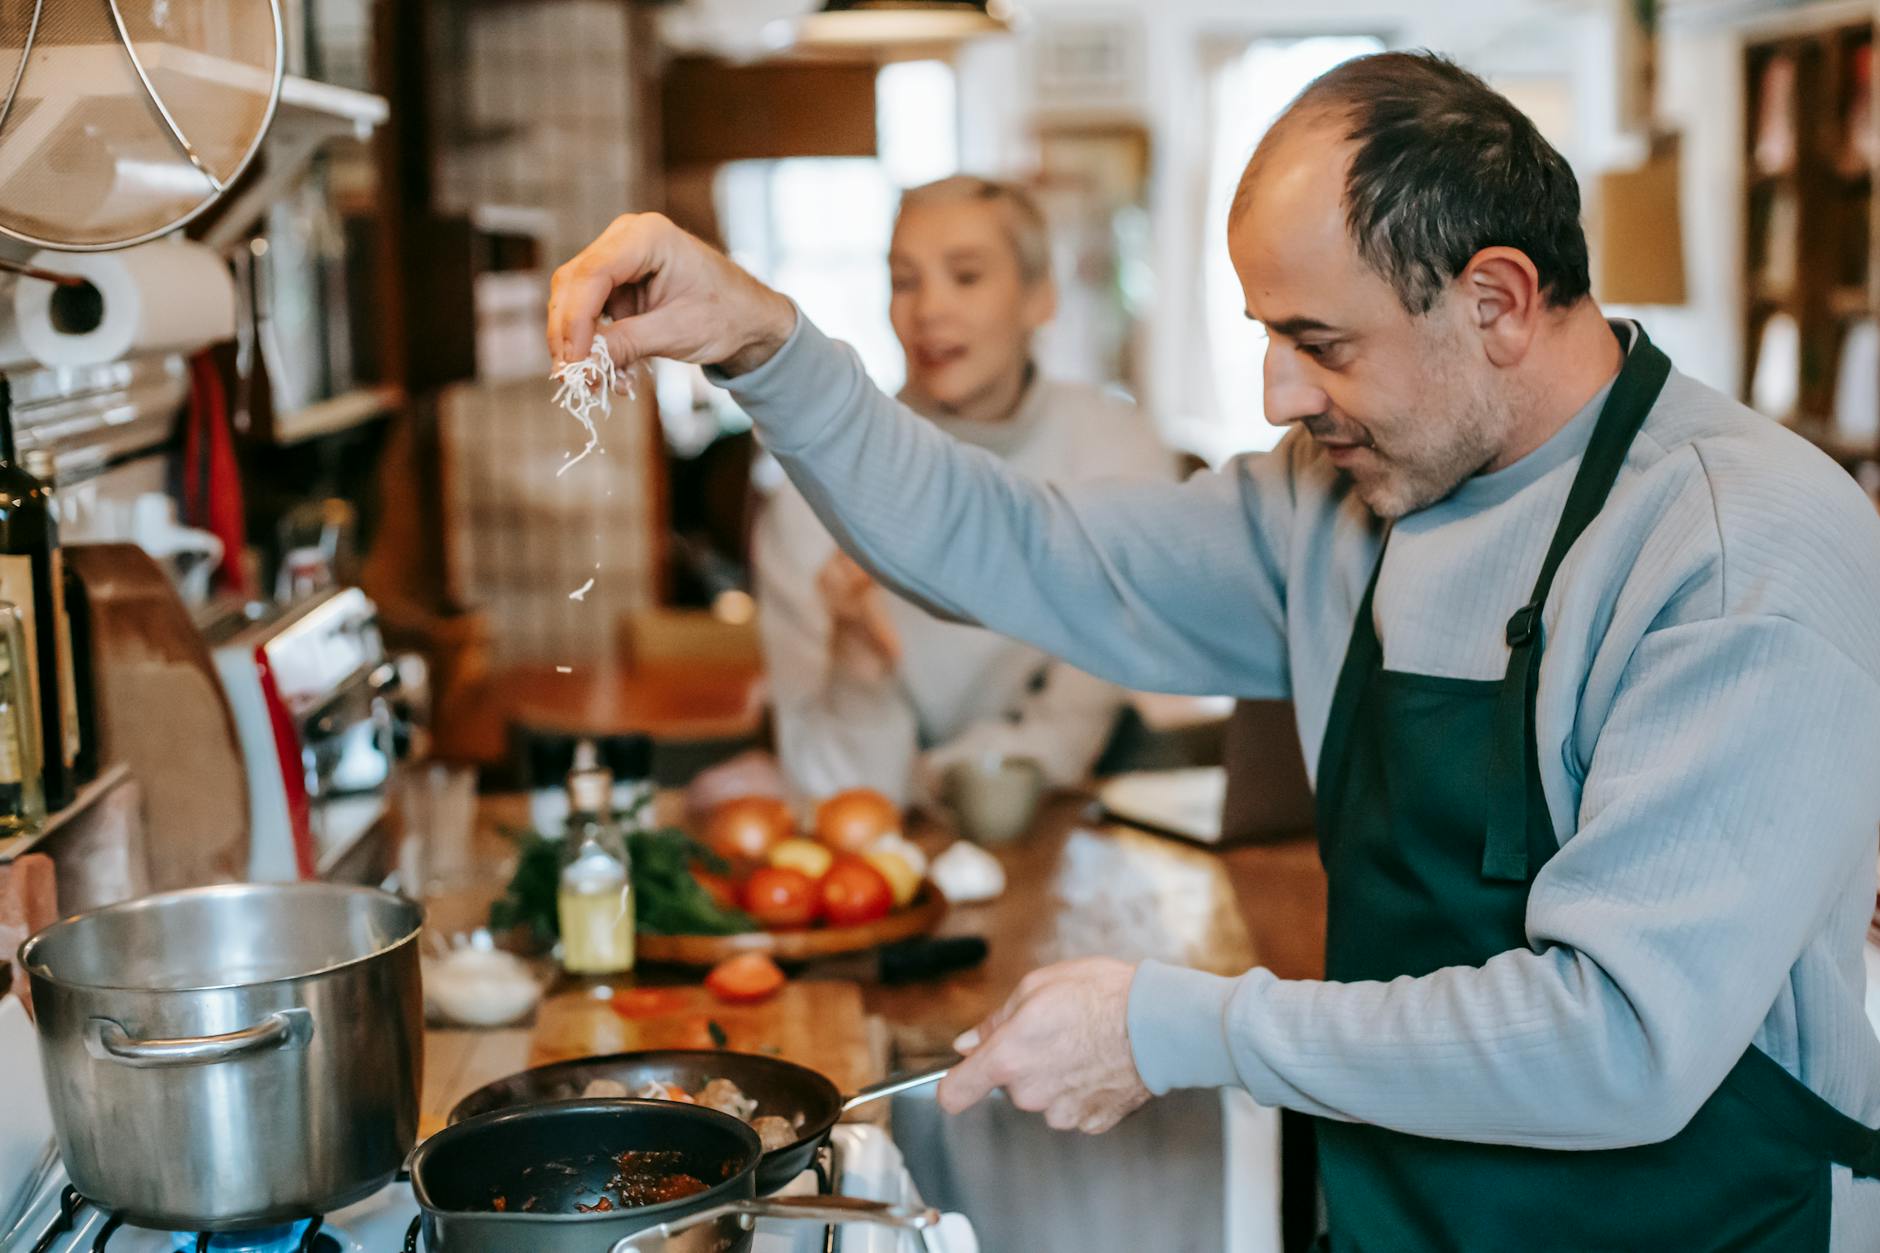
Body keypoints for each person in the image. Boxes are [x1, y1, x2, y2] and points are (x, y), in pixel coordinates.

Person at [550, 51, 1880, 1251]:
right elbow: (1010, 544)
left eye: (1319, 343)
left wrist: (1176, 1024)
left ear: (1498, 300)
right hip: (1395, 1211)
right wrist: (764, 344)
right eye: (1265, 337)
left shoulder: (1739, 545)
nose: (1277, 400)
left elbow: (1624, 1040)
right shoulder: (1331, 502)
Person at [751, 175, 1171, 807]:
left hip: (1051, 823)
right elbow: (836, 793)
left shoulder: (1118, 452)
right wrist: (860, 668)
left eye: (967, 276)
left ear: (1040, 297)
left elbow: (1070, 727)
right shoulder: (813, 496)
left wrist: (932, 778)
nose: (929, 311)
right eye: (905, 281)